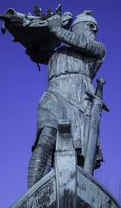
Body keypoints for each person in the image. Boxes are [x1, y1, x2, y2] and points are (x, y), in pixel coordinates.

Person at [27, 10, 106, 188]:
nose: (94, 31)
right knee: (45, 137)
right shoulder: (58, 51)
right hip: (54, 93)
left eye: (95, 28)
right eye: (90, 26)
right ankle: (32, 193)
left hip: (79, 100)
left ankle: (72, 191)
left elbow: (82, 43)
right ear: (77, 27)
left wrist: (57, 30)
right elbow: (37, 52)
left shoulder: (98, 50)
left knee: (75, 157)